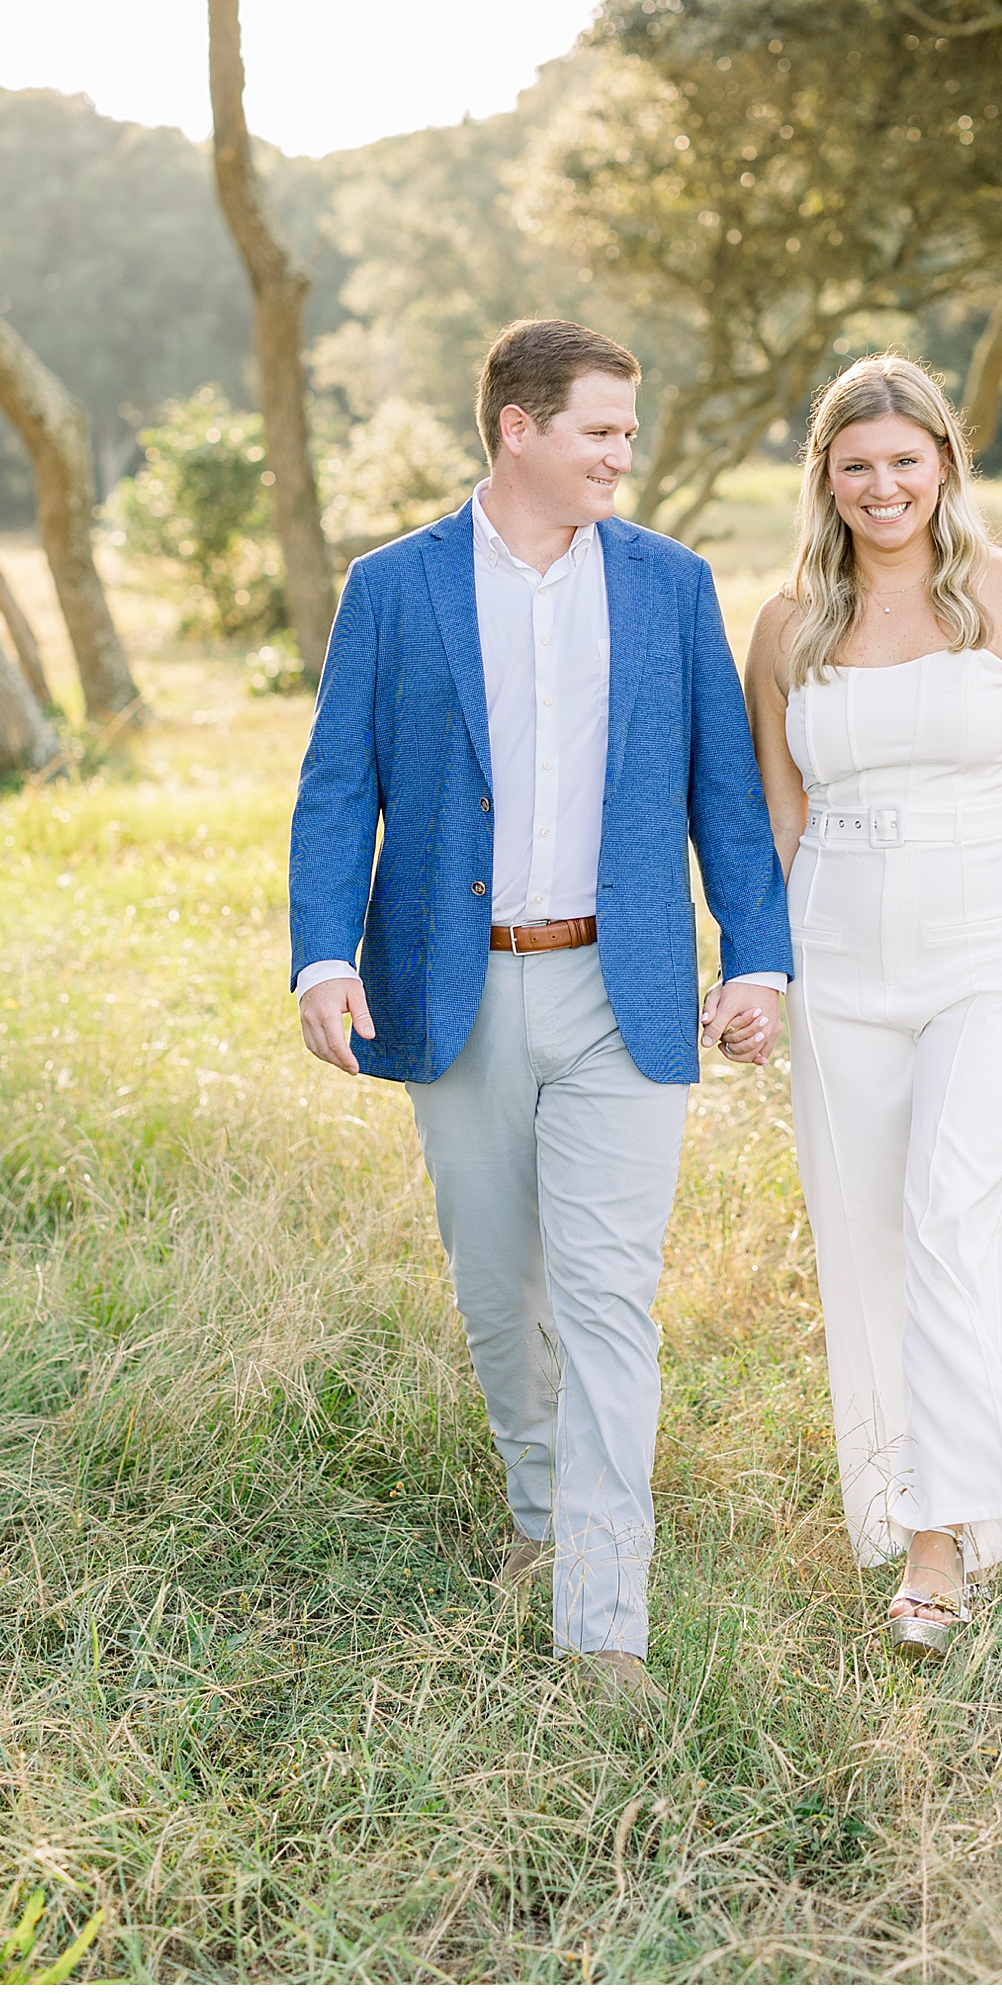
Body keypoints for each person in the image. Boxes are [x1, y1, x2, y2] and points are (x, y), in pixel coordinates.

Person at [289, 318, 792, 1703]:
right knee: (500, 1293)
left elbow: (724, 791)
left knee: (608, 1298)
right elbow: (337, 788)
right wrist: (322, 956)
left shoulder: (670, 585)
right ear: (518, 427)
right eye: (600, 431)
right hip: (451, 984)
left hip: (624, 986)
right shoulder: (393, 587)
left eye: (629, 431)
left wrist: (758, 958)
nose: (624, 455)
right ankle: (538, 1512)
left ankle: (604, 1620)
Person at [739, 354, 1002, 1658]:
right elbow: (778, 821)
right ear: (826, 478)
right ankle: (913, 1494)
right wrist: (759, 968)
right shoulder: (787, 624)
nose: (883, 486)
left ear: (945, 462)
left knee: (950, 1220)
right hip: (839, 956)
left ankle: (938, 1539)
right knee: (867, 1243)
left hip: (992, 950)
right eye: (857, 465)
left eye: (905, 460)